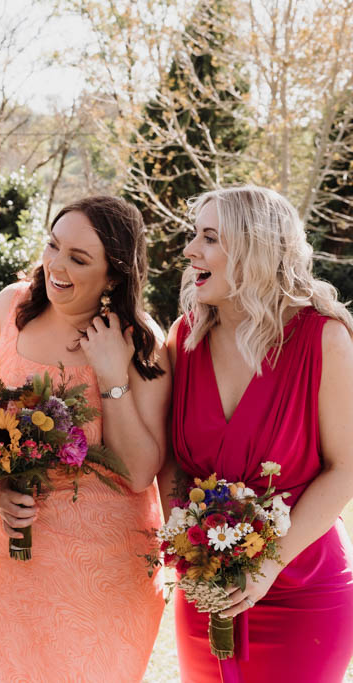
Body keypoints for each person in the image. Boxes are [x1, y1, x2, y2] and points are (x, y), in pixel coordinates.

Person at [0, 196, 169, 681]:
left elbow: (140, 471)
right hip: (4, 555)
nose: (56, 265)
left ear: (114, 275)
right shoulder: (12, 305)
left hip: (103, 570)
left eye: (78, 258)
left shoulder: (143, 342)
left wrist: (111, 375)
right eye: (53, 246)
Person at [163, 185, 353, 681]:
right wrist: (188, 547)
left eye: (209, 238)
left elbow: (346, 467)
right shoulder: (185, 338)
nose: (189, 251)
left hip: (302, 589)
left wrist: (269, 564)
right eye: (193, 235)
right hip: (208, 590)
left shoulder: (323, 338)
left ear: (255, 248)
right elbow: (172, 464)